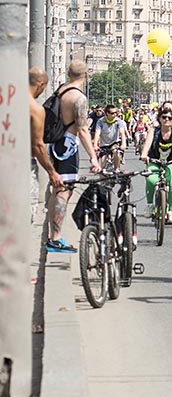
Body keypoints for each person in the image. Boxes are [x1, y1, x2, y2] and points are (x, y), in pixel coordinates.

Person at [44, 61, 98, 253]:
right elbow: (82, 130)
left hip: (56, 143)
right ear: (86, 75)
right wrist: (93, 157)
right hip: (68, 146)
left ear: (68, 73)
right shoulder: (78, 98)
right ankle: (56, 238)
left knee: (56, 189)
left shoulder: (61, 90)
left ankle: (53, 236)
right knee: (64, 191)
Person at [141, 104, 172, 225]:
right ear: (159, 118)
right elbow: (148, 143)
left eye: (170, 118)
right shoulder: (154, 130)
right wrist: (144, 154)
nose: (167, 120)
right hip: (155, 161)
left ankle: (171, 211)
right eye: (164, 117)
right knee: (150, 179)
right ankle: (150, 205)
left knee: (171, 181)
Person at [29, 67, 62, 218]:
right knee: (25, 215)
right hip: (23, 166)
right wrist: (52, 172)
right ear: (41, 84)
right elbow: (37, 145)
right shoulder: (35, 109)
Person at [93, 103, 130, 171]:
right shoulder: (101, 121)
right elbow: (97, 133)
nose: (115, 115)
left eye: (116, 112)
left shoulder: (118, 121)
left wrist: (123, 144)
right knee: (103, 165)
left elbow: (122, 133)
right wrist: (95, 145)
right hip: (104, 143)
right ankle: (102, 180)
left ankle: (117, 169)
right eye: (112, 113)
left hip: (114, 142)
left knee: (116, 152)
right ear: (107, 113)